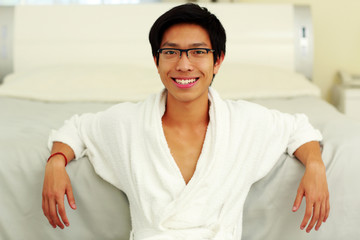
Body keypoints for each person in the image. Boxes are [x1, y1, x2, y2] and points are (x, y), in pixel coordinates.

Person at [42, 3, 330, 239]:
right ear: (157, 62)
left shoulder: (245, 122)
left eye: (198, 52)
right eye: (170, 52)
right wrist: (56, 161)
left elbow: (298, 128)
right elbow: (77, 128)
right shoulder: (127, 123)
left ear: (217, 61)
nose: (183, 64)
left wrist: (315, 165)